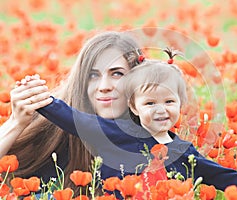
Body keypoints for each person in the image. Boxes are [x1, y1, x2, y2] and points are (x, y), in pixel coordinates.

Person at [34, 60, 237, 199]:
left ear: (180, 104)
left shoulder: (183, 150)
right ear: (134, 105)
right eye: (150, 103)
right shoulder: (115, 132)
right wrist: (41, 98)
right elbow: (73, 119)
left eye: (169, 102)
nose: (161, 110)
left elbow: (218, 175)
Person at [0, 31, 144, 193]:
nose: (104, 86)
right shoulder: (50, 125)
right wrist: (15, 123)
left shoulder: (152, 137)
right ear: (81, 81)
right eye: (93, 75)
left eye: (117, 74)